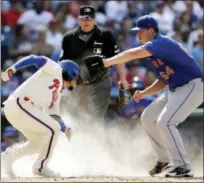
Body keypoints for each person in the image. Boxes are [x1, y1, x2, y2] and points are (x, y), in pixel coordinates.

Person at [103, 15, 204, 177]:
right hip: (175, 88)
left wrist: (107, 62)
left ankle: (183, 166)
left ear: (151, 30)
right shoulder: (156, 52)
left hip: (192, 85)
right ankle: (164, 159)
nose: (138, 35)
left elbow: (133, 54)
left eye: (140, 31)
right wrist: (145, 93)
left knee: (166, 122)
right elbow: (163, 81)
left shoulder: (161, 43)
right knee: (148, 117)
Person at [1, 55, 80, 177]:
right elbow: (34, 59)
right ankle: (40, 168)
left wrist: (65, 128)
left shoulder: (57, 94)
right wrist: (13, 68)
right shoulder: (56, 69)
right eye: (74, 78)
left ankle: (8, 157)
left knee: (39, 143)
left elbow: (53, 115)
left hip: (22, 110)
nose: (73, 82)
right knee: (53, 129)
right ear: (69, 72)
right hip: (18, 103)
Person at [59, 5, 128, 120]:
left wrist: (123, 78)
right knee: (78, 115)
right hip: (79, 84)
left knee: (96, 117)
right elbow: (62, 63)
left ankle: (95, 137)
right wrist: (64, 83)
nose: (86, 21)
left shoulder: (106, 35)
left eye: (89, 18)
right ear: (79, 19)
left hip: (101, 82)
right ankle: (80, 137)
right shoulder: (69, 38)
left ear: (95, 19)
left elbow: (118, 57)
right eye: (84, 18)